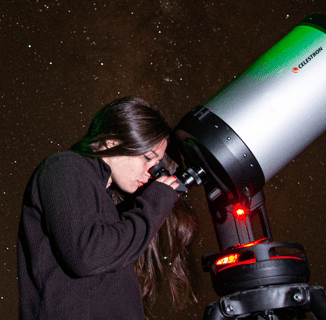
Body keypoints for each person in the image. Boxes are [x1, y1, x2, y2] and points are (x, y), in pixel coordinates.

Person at [17, 96, 196, 319]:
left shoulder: (109, 204)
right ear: (112, 142)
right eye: (147, 158)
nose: (151, 172)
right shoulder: (64, 167)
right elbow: (86, 255)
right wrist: (154, 204)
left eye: (156, 164)